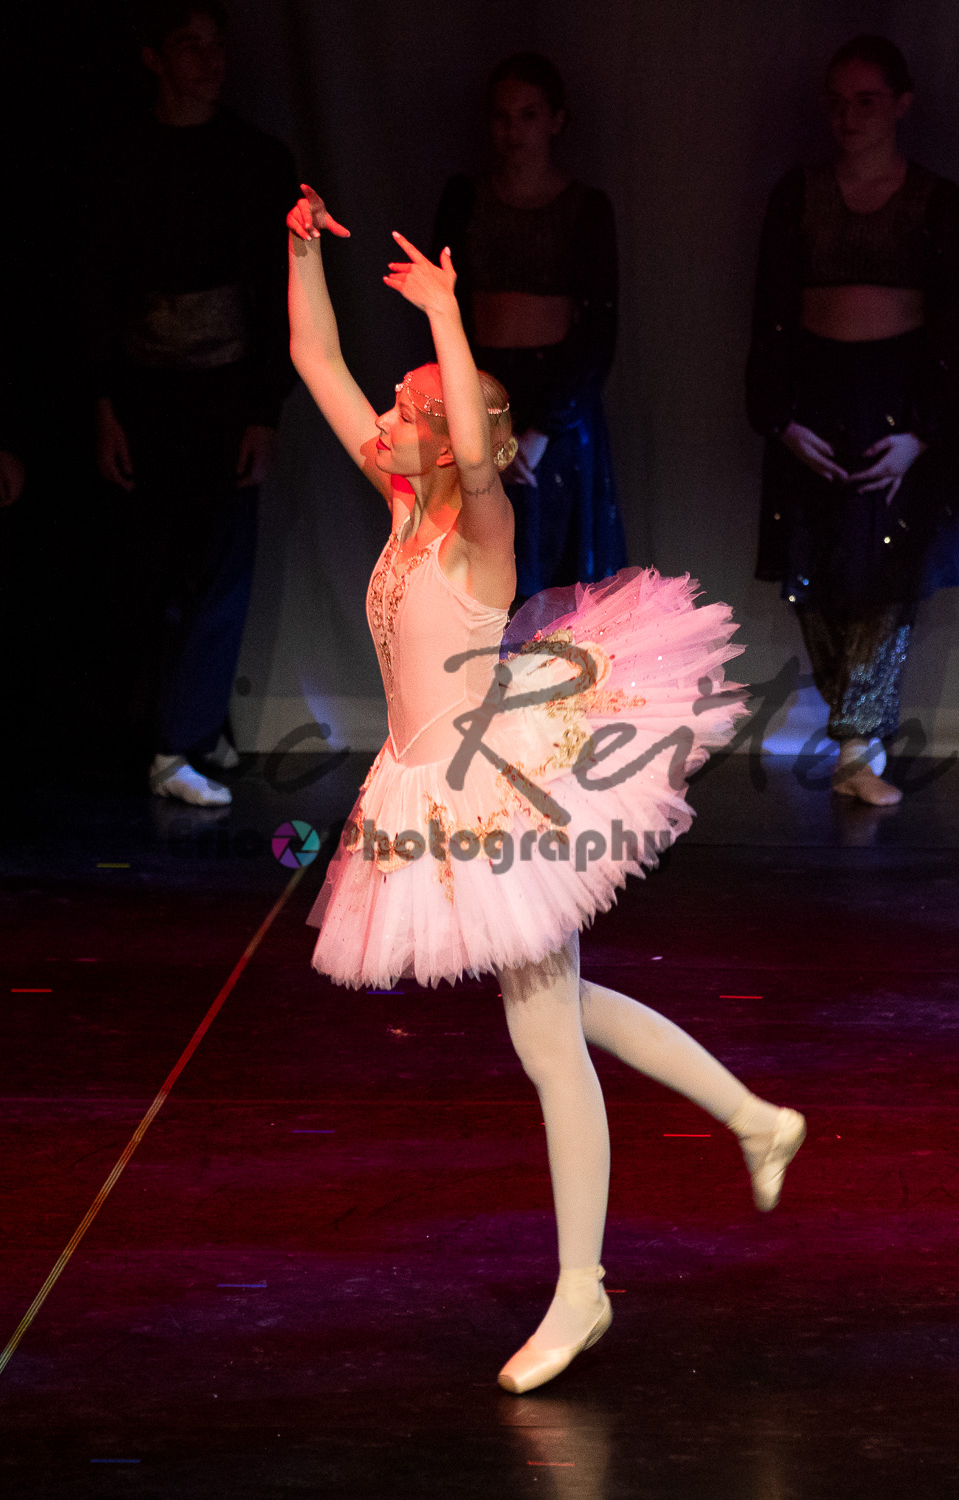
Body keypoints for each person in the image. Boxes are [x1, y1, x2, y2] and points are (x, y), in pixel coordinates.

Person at [287, 185, 806, 1394]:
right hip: (429, 783)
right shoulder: (402, 506)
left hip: (502, 789)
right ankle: (753, 1120)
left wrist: (450, 314)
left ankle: (583, 1289)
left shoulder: (480, 527)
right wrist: (300, 249)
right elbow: (314, 359)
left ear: (445, 435)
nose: (386, 417)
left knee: (543, 1037)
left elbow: (478, 451)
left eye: (407, 406)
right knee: (560, 1011)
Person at [82, 0, 298, 804]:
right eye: (190, 46)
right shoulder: (119, 158)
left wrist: (264, 409)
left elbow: (274, 294)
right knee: (150, 570)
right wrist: (103, 400)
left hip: (224, 389)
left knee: (219, 564)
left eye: (216, 44)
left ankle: (186, 738)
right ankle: (176, 730)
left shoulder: (255, 159)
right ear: (155, 57)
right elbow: (95, 287)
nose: (211, 61)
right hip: (145, 388)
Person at [747, 35, 959, 806]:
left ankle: (855, 752)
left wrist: (923, 433)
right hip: (815, 394)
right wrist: (779, 419)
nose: (849, 116)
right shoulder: (798, 194)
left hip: (899, 400)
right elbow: (769, 311)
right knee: (817, 577)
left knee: (886, 582)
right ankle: (852, 743)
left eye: (866, 100)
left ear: (901, 104)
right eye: (837, 102)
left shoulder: (936, 201)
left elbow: (953, 325)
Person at [432, 52, 626, 601]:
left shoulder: (585, 208)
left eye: (528, 115)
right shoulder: (465, 200)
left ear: (556, 120)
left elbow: (598, 331)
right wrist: (479, 423)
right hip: (480, 395)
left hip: (556, 408)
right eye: (501, 116)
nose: (512, 130)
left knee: (554, 572)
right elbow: (442, 309)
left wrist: (542, 430)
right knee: (483, 572)